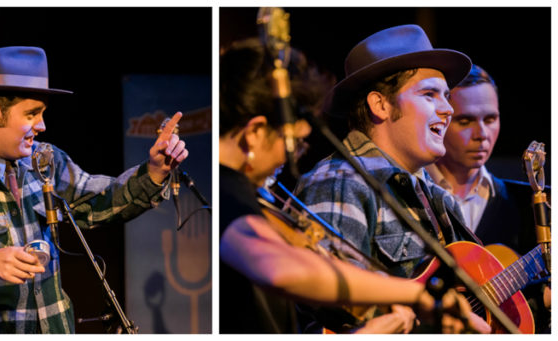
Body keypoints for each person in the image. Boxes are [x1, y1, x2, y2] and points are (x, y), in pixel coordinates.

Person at [0, 46, 187, 333]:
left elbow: (96, 202)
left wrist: (155, 171)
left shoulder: (44, 160)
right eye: (31, 114)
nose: (42, 125)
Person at [218, 38, 484, 334]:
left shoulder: (237, 192)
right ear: (254, 133)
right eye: (292, 143)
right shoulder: (228, 192)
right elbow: (285, 270)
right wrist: (417, 294)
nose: (292, 157)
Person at [295, 24, 479, 277]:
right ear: (380, 105)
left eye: (446, 96)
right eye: (429, 94)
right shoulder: (342, 182)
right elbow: (334, 295)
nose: (448, 109)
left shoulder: (443, 202)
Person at [426, 64, 550, 333]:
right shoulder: (411, 194)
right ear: (440, 119)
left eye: (491, 119)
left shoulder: (532, 203)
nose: (481, 133)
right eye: (465, 120)